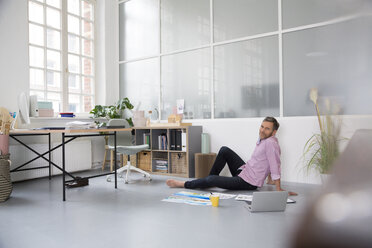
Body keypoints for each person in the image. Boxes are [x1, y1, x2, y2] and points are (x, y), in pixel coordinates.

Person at [166, 116, 298, 196]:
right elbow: (267, 161)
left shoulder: (271, 143)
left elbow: (275, 164)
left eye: (267, 128)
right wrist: (269, 179)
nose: (262, 130)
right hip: (245, 171)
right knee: (224, 150)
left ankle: (183, 184)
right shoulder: (266, 140)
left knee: (212, 179)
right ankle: (207, 180)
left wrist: (278, 187)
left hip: (248, 182)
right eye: (262, 126)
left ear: (274, 132)